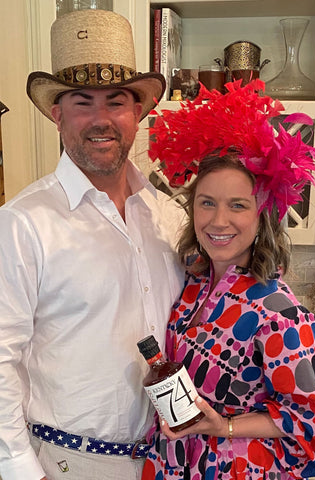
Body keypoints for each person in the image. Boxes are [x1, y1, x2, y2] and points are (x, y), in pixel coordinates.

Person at [0, 10, 185, 480]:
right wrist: (22, 471)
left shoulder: (171, 217)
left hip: (168, 458)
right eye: (83, 102)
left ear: (138, 113)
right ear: (56, 114)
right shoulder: (23, 223)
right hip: (67, 463)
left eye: (117, 101)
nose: (101, 119)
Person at [141, 79, 315, 480]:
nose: (218, 221)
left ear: (262, 214)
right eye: (207, 202)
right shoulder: (194, 283)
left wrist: (225, 427)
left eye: (238, 206)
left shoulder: (279, 312)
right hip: (175, 464)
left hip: (233, 469)